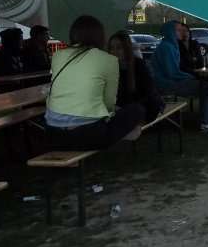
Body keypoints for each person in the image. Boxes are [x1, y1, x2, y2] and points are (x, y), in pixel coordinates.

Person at [45, 16, 144, 150]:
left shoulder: (58, 56)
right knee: (137, 110)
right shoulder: (106, 60)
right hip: (87, 135)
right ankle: (123, 134)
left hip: (54, 135)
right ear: (100, 36)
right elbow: (108, 104)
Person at [152, 21, 208, 132]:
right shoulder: (167, 47)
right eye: (178, 30)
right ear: (170, 32)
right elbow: (171, 73)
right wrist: (190, 77)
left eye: (182, 30)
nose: (182, 32)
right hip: (166, 84)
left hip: (172, 81)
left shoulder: (171, 45)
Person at [108, 31, 164, 123]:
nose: (114, 52)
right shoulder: (109, 68)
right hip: (122, 108)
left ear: (127, 48)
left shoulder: (138, 65)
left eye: (119, 48)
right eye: (111, 48)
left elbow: (148, 93)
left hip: (144, 106)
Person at [0, 28, 24, 93]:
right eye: (20, 39)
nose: (22, 41)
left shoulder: (15, 54)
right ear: (12, 41)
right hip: (10, 93)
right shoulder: (1, 57)